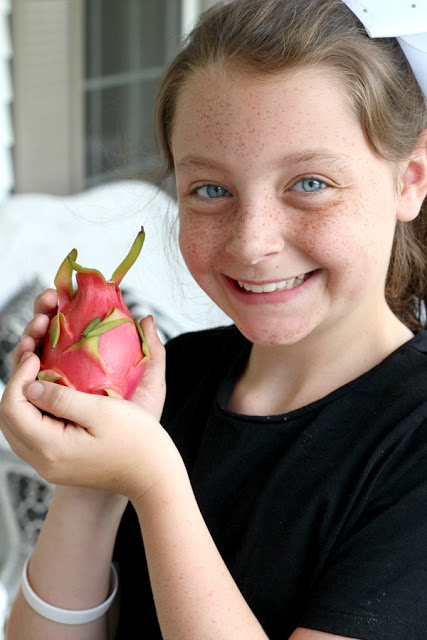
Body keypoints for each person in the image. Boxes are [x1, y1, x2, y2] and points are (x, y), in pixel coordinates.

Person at [1, 0, 426, 638]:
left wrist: (154, 480)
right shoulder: (176, 381)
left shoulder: (412, 443)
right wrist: (89, 480)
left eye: (310, 183)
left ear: (410, 180)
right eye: (211, 190)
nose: (252, 242)